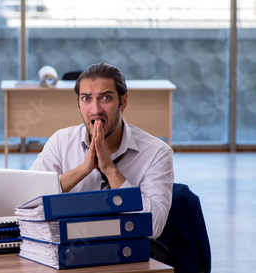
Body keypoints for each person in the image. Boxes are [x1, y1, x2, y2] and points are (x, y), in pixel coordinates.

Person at [30, 62, 174, 239]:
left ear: (123, 101)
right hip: (67, 248)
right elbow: (30, 205)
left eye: (105, 98)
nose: (96, 110)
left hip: (127, 252)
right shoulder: (60, 142)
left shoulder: (157, 153)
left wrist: (111, 171)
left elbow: (153, 226)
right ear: (78, 105)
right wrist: (83, 170)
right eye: (86, 99)